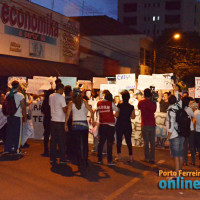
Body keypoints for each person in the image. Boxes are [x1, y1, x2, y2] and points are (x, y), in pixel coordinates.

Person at [65, 88, 95, 169]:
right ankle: (85, 160)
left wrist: (65, 125)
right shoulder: (84, 102)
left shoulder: (71, 103)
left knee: (77, 144)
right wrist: (93, 120)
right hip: (84, 125)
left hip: (75, 125)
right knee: (85, 143)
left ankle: (79, 161)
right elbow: (91, 111)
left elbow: (67, 115)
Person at [96, 90, 119, 165]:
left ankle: (99, 159)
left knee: (101, 143)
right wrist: (114, 115)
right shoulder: (110, 103)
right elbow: (117, 110)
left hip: (102, 124)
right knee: (109, 143)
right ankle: (109, 161)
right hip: (110, 125)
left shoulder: (99, 103)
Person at [4, 81, 27, 154]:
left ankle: (7, 149)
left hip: (10, 116)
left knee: (9, 133)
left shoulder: (7, 93)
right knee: (18, 134)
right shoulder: (20, 95)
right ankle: (17, 150)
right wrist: (25, 116)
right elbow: (23, 107)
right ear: (18, 86)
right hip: (17, 116)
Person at [165, 95, 184, 179]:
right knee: (180, 155)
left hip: (174, 135)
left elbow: (171, 126)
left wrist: (167, 139)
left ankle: (176, 176)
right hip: (181, 133)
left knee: (176, 156)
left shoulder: (170, 110)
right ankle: (179, 172)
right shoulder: (179, 107)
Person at [49, 84, 67, 165]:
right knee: (61, 141)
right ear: (60, 89)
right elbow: (64, 109)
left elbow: (51, 105)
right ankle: (62, 158)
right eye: (63, 90)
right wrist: (69, 112)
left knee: (53, 141)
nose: (63, 91)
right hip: (60, 121)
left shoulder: (51, 96)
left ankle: (52, 158)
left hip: (53, 120)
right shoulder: (61, 97)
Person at [116, 90, 135, 162]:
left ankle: (119, 156)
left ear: (122, 98)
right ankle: (130, 156)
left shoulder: (119, 105)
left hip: (120, 124)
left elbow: (116, 115)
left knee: (119, 140)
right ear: (129, 98)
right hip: (127, 124)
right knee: (128, 140)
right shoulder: (131, 107)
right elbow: (133, 117)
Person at [138, 88, 156, 164]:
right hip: (152, 124)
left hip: (144, 124)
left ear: (144, 95)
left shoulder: (141, 102)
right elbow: (154, 111)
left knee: (146, 142)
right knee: (152, 142)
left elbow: (139, 107)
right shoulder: (153, 103)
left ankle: (147, 158)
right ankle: (152, 158)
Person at [182, 97, 195, 166]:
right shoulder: (189, 109)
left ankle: (185, 161)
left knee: (185, 146)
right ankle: (193, 161)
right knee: (191, 146)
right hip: (191, 129)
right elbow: (193, 116)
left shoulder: (181, 110)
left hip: (184, 129)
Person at [41, 89, 54, 157]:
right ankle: (52, 150)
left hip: (46, 119)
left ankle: (46, 150)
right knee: (53, 135)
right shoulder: (53, 100)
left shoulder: (45, 100)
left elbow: (42, 110)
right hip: (53, 119)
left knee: (46, 135)